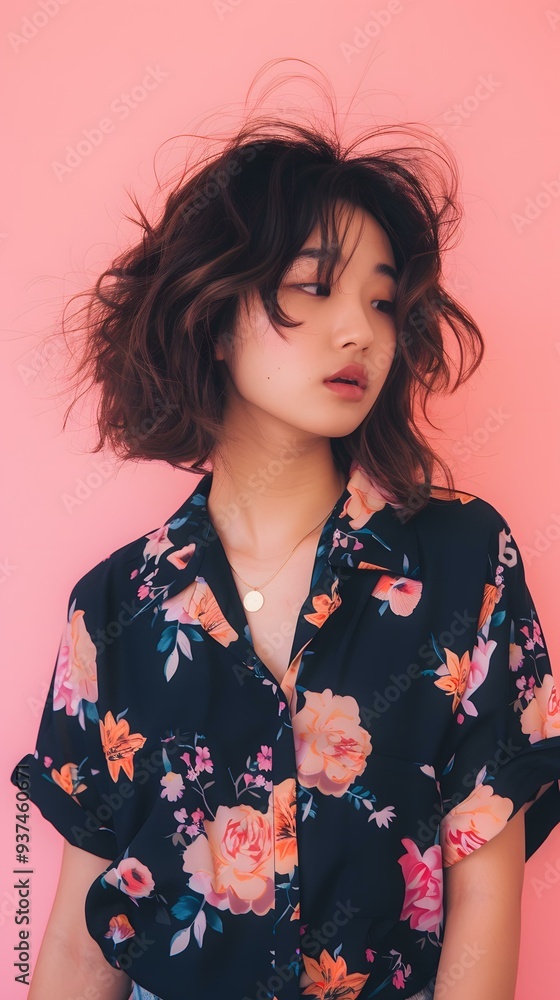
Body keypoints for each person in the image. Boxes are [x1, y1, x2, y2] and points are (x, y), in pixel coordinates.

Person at [10, 104, 560, 1000]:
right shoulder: (113, 606)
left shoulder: (464, 561)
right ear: (215, 317)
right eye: (315, 287)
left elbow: (484, 905)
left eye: (381, 302)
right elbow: (81, 944)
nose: (361, 332)